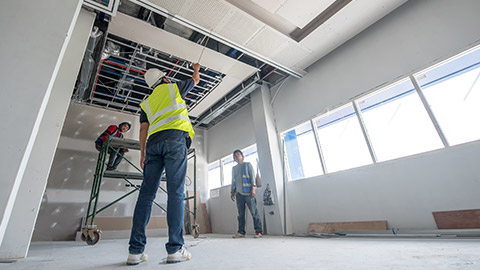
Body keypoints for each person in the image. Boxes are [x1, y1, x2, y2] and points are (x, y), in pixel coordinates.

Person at [127, 63, 200, 265]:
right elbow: (195, 80)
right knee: (175, 193)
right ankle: (175, 249)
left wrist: (142, 153)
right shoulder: (174, 88)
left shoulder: (147, 103)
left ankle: (135, 251)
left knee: (146, 195)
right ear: (165, 78)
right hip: (175, 140)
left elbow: (143, 130)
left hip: (152, 146)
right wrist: (196, 68)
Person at [230, 149, 263, 238]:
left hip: (248, 193)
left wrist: (253, 189)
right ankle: (241, 232)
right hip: (238, 194)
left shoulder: (247, 165)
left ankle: (258, 231)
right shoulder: (234, 169)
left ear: (242, 155)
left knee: (254, 212)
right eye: (235, 155)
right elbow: (233, 181)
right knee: (241, 214)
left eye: (238, 154)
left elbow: (252, 177)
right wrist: (232, 191)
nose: (237, 156)